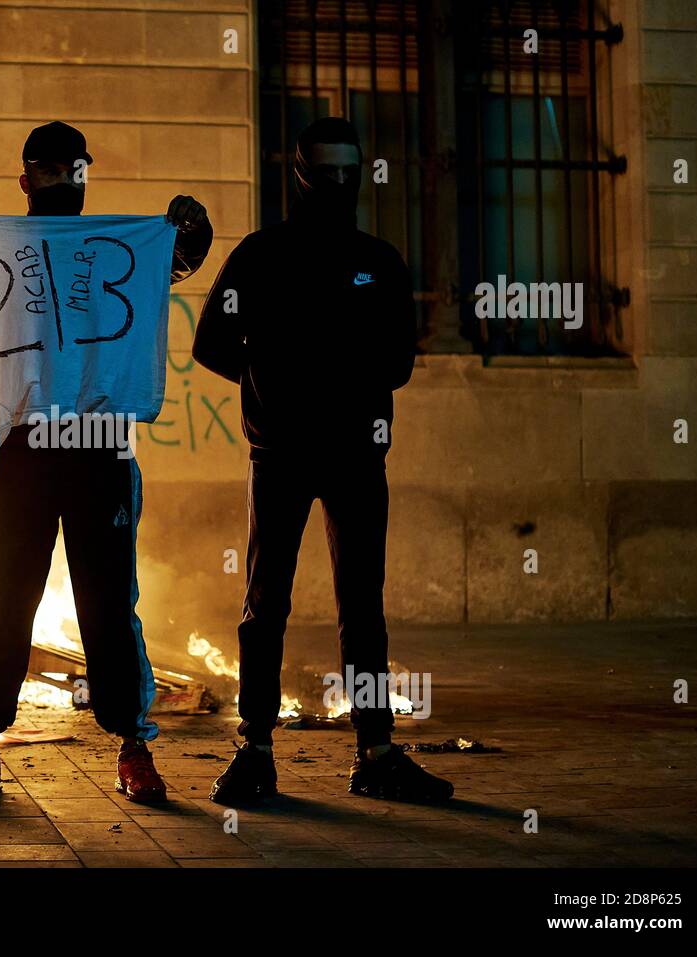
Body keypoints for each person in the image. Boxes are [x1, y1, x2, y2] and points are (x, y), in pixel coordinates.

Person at [0, 121, 212, 802]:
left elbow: (172, 264)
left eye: (73, 171)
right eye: (50, 171)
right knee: (2, 597)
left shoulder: (113, 246)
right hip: (21, 446)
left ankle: (133, 743)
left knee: (108, 603)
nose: (63, 181)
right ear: (26, 177)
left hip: (98, 443)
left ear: (85, 175)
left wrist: (190, 233)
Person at [192, 116, 452, 806]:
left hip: (356, 457)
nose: (337, 182)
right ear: (300, 171)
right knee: (263, 603)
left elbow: (399, 360)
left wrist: (328, 376)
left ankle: (375, 753)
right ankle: (254, 750)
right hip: (279, 454)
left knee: (362, 607)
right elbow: (211, 342)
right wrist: (269, 386)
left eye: (348, 170)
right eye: (325, 170)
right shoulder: (260, 255)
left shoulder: (381, 260)